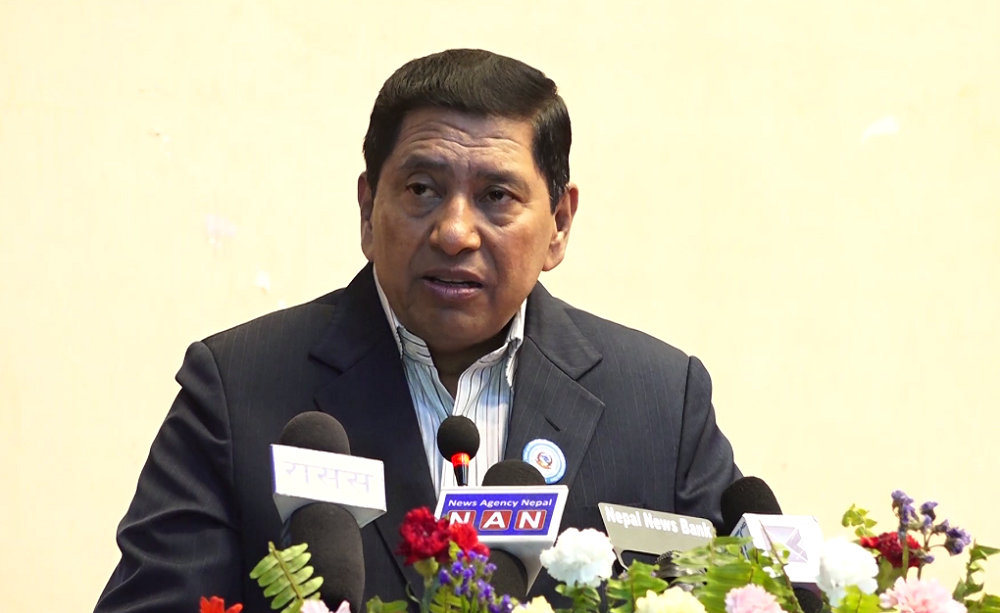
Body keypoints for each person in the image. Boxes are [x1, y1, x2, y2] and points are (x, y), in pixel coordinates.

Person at [95, 49, 740, 613]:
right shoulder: (235, 388)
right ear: (368, 209)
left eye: (497, 196)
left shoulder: (662, 403)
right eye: (423, 188)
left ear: (559, 224)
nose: (454, 232)